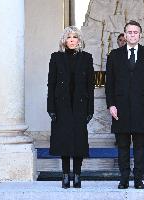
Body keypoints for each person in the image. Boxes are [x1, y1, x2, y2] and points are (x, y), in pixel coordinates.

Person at [105, 20, 144, 189]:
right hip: (120, 108)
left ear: (140, 35)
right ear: (125, 34)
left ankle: (138, 179)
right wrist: (111, 105)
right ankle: (123, 179)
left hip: (142, 107)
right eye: (130, 32)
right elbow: (109, 83)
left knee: (140, 146)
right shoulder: (114, 55)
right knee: (122, 146)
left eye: (136, 32)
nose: (133, 35)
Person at [47, 26, 94, 189]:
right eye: (69, 37)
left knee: (79, 141)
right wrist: (50, 108)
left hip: (80, 105)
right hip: (61, 106)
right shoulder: (56, 57)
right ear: (64, 40)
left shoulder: (87, 58)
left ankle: (78, 175)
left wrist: (90, 110)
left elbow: (90, 86)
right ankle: (66, 175)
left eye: (75, 37)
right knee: (64, 141)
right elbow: (51, 84)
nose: (72, 40)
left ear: (79, 40)